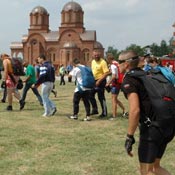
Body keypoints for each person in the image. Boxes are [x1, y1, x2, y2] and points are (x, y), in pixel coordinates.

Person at [119, 50, 175, 175]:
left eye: (120, 62)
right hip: (168, 124)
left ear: (126, 64)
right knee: (156, 168)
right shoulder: (147, 74)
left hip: (152, 130)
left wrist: (129, 136)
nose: (118, 65)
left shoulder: (129, 79)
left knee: (146, 171)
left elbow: (135, 110)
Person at [106, 53, 128, 120]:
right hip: (120, 82)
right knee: (115, 98)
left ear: (109, 59)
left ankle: (114, 116)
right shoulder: (117, 63)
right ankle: (124, 110)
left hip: (116, 83)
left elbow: (114, 76)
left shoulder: (113, 65)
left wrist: (108, 83)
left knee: (113, 99)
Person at [89, 49, 110, 117]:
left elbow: (106, 73)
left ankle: (104, 112)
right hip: (94, 80)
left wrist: (99, 81)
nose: (96, 56)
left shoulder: (103, 62)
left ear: (100, 55)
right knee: (90, 95)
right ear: (93, 55)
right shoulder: (93, 62)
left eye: (97, 55)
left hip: (101, 81)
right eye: (95, 55)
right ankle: (95, 110)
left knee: (101, 97)